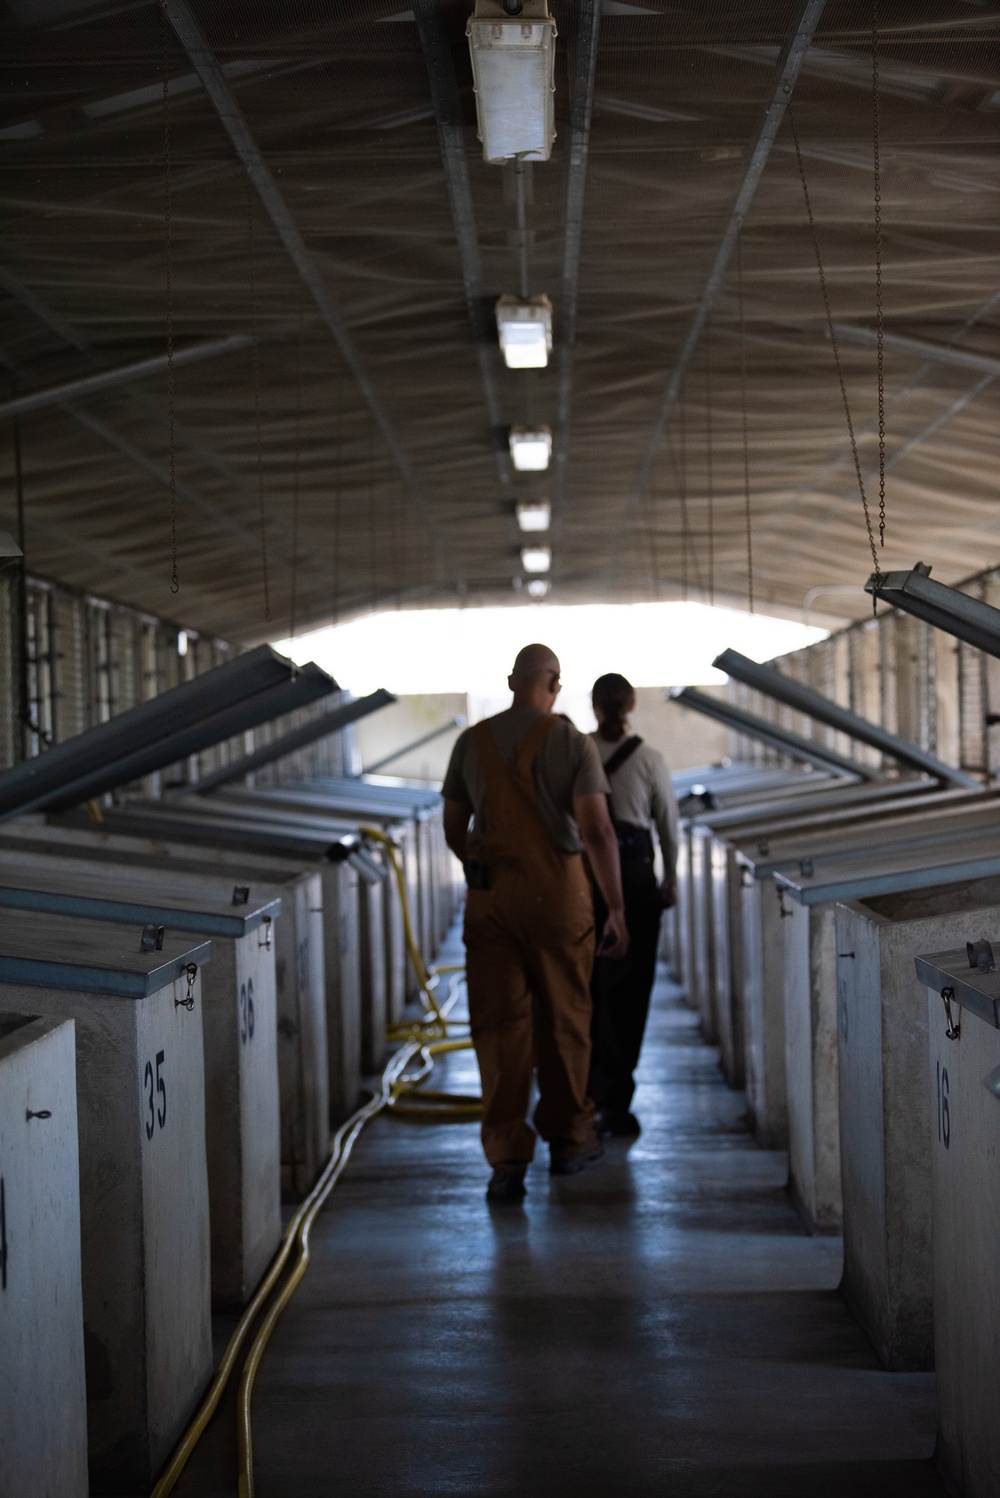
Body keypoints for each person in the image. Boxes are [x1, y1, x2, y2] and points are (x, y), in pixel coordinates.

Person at [442, 643, 629, 1203]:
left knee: (499, 1029)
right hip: (559, 898)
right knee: (565, 1020)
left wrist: (479, 864)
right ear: (553, 683)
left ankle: (506, 1159)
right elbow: (596, 831)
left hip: (491, 900)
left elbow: (454, 825)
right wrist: (615, 907)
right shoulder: (572, 742)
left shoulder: (470, 743)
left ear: (510, 682)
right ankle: (571, 1140)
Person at [588, 672, 678, 1138]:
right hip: (637, 881)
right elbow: (667, 826)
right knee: (631, 989)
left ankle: (583, 1094)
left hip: (585, 879)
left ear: (593, 705)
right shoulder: (650, 759)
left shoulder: (574, 753)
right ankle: (616, 1102)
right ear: (631, 705)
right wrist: (671, 879)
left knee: (583, 986)